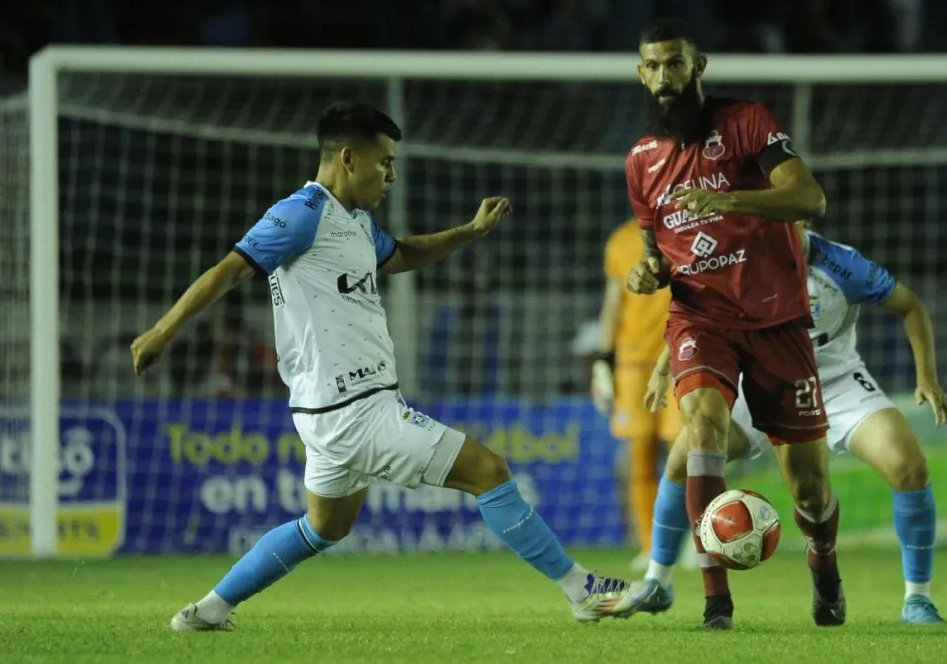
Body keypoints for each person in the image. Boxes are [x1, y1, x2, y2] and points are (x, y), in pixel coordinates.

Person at [130, 101, 631, 632]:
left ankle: (206, 611)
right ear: (349, 157)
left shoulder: (356, 223)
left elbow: (402, 255)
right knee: (490, 471)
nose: (391, 173)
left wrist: (468, 232)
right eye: (384, 161)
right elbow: (230, 269)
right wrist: (163, 330)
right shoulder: (302, 212)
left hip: (333, 410)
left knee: (324, 528)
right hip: (353, 409)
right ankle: (582, 590)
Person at [601, 18, 843, 629]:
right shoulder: (640, 161)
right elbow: (657, 252)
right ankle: (717, 601)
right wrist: (646, 275)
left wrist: (731, 198)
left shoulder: (747, 123)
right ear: (640, 73)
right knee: (703, 428)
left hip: (777, 320)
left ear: (698, 66)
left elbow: (809, 199)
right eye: (652, 66)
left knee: (810, 490)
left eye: (674, 64)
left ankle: (824, 561)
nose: (664, 77)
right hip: (701, 320)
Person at [637, 225, 947, 625]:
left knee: (906, 467)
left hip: (835, 383)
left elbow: (909, 305)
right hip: (759, 381)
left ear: (799, 223)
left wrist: (927, 377)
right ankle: (657, 579)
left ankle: (917, 599)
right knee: (684, 458)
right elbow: (698, 313)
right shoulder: (737, 258)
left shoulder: (840, 264)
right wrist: (664, 367)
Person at [591, 218, 683, 571]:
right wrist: (603, 359)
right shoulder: (621, 240)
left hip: (679, 354)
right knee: (639, 457)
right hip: (632, 363)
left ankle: (695, 539)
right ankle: (650, 545)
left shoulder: (687, 232)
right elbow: (613, 303)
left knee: (684, 451)